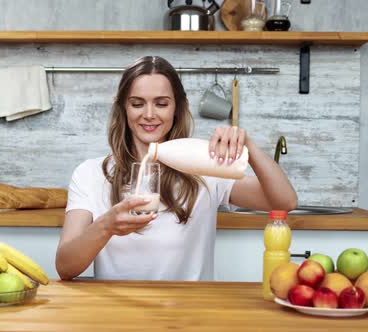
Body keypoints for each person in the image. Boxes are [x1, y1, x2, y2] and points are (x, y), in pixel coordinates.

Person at [56, 56, 297, 281]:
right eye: (137, 104)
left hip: (188, 317)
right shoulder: (90, 173)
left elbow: (284, 201)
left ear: (177, 108)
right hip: (118, 318)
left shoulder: (206, 171)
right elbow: (65, 267)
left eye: (161, 104)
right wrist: (106, 226)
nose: (149, 115)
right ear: (123, 109)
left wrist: (250, 147)